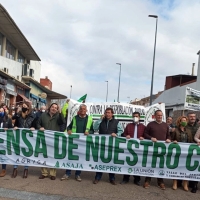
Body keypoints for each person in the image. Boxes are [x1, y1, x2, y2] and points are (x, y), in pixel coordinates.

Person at [61, 104, 93, 182]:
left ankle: (77, 174)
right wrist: (69, 130)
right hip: (74, 142)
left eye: (84, 109)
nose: (82, 110)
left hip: (83, 143)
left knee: (80, 159)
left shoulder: (89, 119)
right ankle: (67, 173)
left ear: (86, 110)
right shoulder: (75, 118)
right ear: (79, 110)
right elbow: (69, 127)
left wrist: (89, 132)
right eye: (81, 109)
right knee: (71, 157)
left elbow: (92, 130)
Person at [93, 107, 123, 185]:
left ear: (112, 114)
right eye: (106, 112)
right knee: (100, 161)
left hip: (112, 145)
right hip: (102, 144)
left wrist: (116, 134)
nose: (107, 114)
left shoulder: (116, 122)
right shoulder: (101, 121)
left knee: (111, 161)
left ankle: (112, 178)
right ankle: (97, 177)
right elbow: (94, 128)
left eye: (109, 112)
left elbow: (121, 131)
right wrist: (100, 120)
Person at [143, 110, 171, 190]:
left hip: (162, 149)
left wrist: (169, 139)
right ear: (155, 116)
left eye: (161, 115)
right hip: (152, 148)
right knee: (151, 164)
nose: (159, 117)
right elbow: (145, 134)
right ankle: (147, 180)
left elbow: (168, 135)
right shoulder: (150, 124)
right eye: (158, 115)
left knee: (160, 165)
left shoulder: (165, 125)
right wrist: (151, 138)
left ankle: (160, 182)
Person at [37, 103, 65, 180]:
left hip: (54, 139)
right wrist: (40, 127)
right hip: (44, 138)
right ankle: (44, 173)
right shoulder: (43, 115)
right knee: (44, 156)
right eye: (53, 107)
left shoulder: (58, 116)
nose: (54, 109)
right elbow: (38, 123)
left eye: (56, 108)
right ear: (49, 107)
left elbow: (62, 122)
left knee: (53, 156)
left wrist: (60, 112)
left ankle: (53, 174)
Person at [120, 112, 146, 186]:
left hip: (138, 148)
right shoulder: (128, 126)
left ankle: (137, 179)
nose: (135, 117)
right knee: (127, 163)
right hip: (129, 147)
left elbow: (146, 136)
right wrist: (126, 135)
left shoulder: (143, 127)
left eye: (137, 116)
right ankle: (125, 178)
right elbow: (123, 134)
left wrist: (143, 137)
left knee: (137, 164)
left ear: (139, 117)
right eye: (134, 116)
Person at [11, 102, 35, 178]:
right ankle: (15, 168)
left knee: (26, 153)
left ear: (29, 107)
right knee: (17, 152)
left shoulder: (32, 116)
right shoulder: (18, 115)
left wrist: (33, 128)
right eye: (23, 106)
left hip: (28, 137)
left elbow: (34, 125)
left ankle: (26, 169)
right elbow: (15, 124)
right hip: (19, 136)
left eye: (25, 106)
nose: (23, 108)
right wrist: (15, 127)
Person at [171, 116, 193, 191]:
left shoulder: (189, 131)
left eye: (185, 120)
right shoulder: (175, 130)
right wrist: (173, 141)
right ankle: (175, 182)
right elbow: (171, 139)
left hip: (186, 152)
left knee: (185, 167)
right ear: (179, 122)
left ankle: (185, 183)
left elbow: (191, 141)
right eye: (183, 120)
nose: (184, 122)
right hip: (177, 152)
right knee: (176, 167)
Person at [185, 111, 200, 192]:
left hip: (196, 150)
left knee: (195, 167)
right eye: (191, 116)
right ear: (188, 117)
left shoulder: (198, 126)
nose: (193, 118)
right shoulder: (184, 125)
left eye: (194, 116)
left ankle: (193, 184)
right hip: (186, 149)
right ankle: (182, 181)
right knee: (185, 165)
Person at [0, 107, 13, 177]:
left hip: (4, 140)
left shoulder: (8, 119)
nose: (1, 111)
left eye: (3, 109)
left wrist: (8, 129)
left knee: (3, 154)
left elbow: (11, 129)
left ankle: (3, 169)